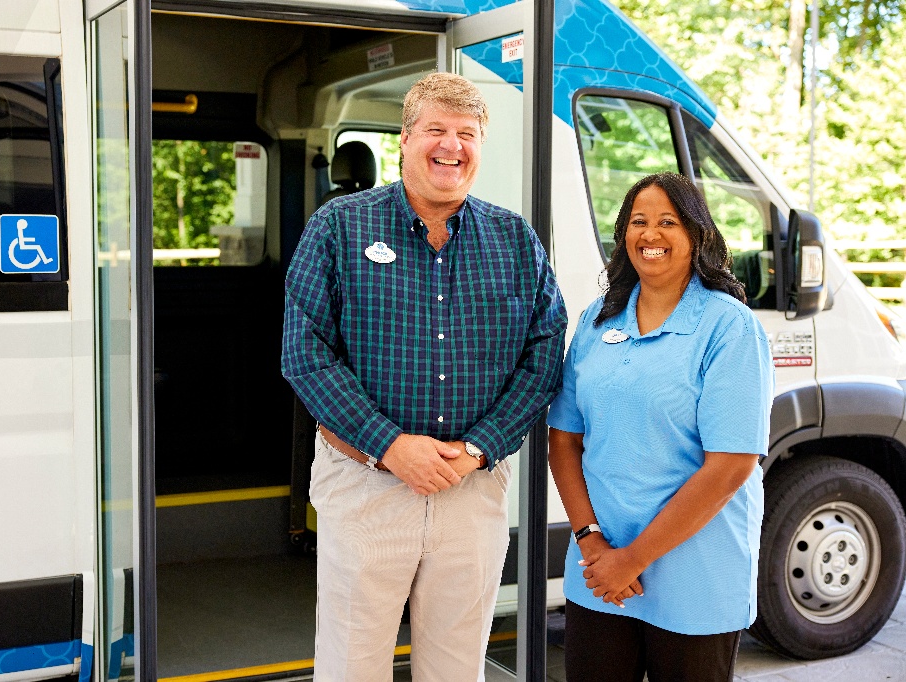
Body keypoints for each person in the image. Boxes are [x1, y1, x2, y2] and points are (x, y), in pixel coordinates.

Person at [281, 72, 568, 681]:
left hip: (472, 492)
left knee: (457, 669)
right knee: (352, 667)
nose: (451, 146)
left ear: (481, 146)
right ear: (406, 138)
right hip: (364, 488)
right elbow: (304, 353)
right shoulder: (339, 227)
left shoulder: (514, 240)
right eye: (436, 129)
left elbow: (544, 357)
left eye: (467, 134)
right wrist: (389, 445)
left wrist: (478, 448)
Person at [547, 172, 774, 681]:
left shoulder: (729, 328)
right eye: (638, 222)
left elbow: (731, 466)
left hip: (697, 577)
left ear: (697, 236)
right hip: (600, 575)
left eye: (668, 222)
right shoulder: (597, 321)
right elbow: (563, 438)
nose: (650, 235)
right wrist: (592, 543)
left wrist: (633, 559)